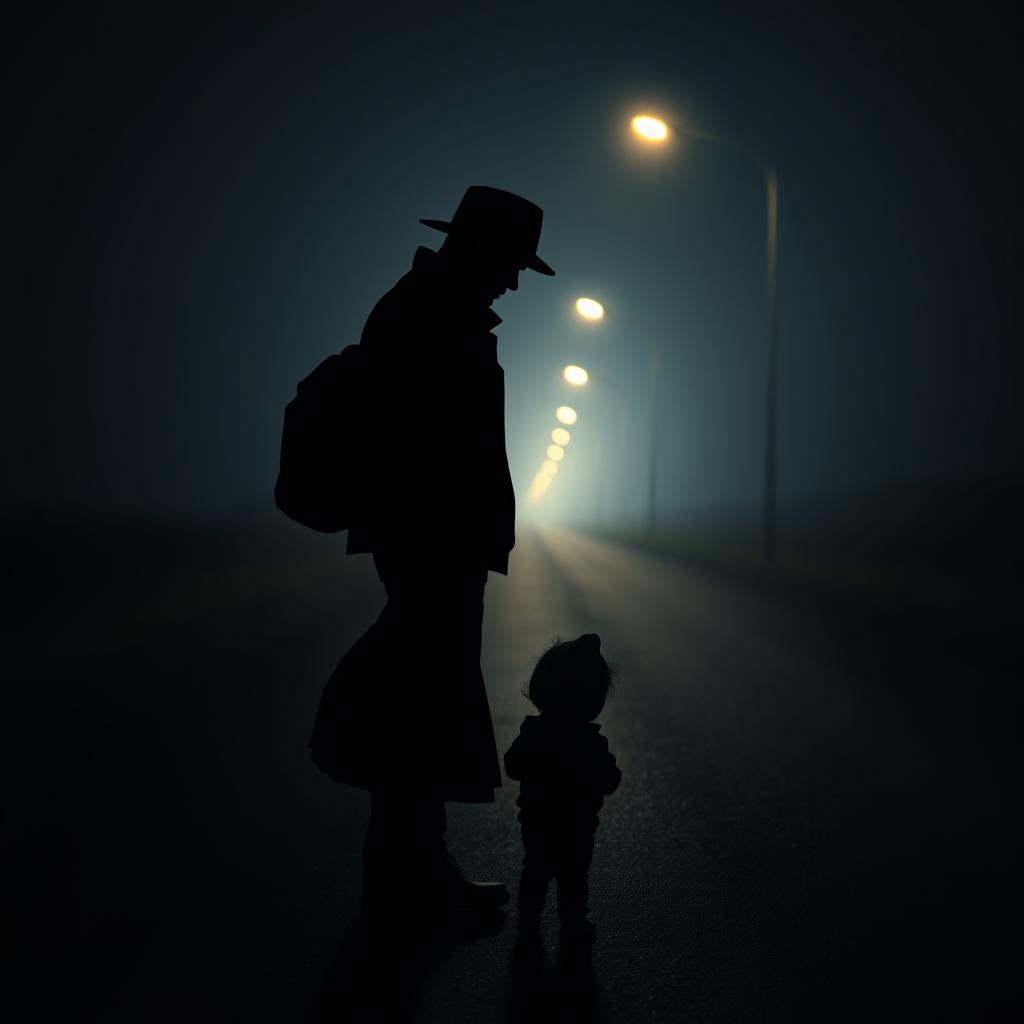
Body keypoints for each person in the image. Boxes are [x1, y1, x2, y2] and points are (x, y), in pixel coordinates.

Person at [308, 186, 555, 922]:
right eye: (511, 262)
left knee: (419, 703)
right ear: (479, 250)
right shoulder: (429, 316)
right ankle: (412, 877)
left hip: (434, 533)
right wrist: (447, 526)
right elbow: (425, 444)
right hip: (429, 535)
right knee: (419, 697)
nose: (514, 280)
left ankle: (408, 873)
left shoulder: (430, 308)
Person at [504, 633, 622, 945]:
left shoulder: (532, 733)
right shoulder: (592, 743)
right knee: (573, 877)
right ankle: (572, 924)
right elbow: (610, 781)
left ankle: (528, 921)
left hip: (536, 820)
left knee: (535, 871)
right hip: (578, 825)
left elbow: (512, 766)